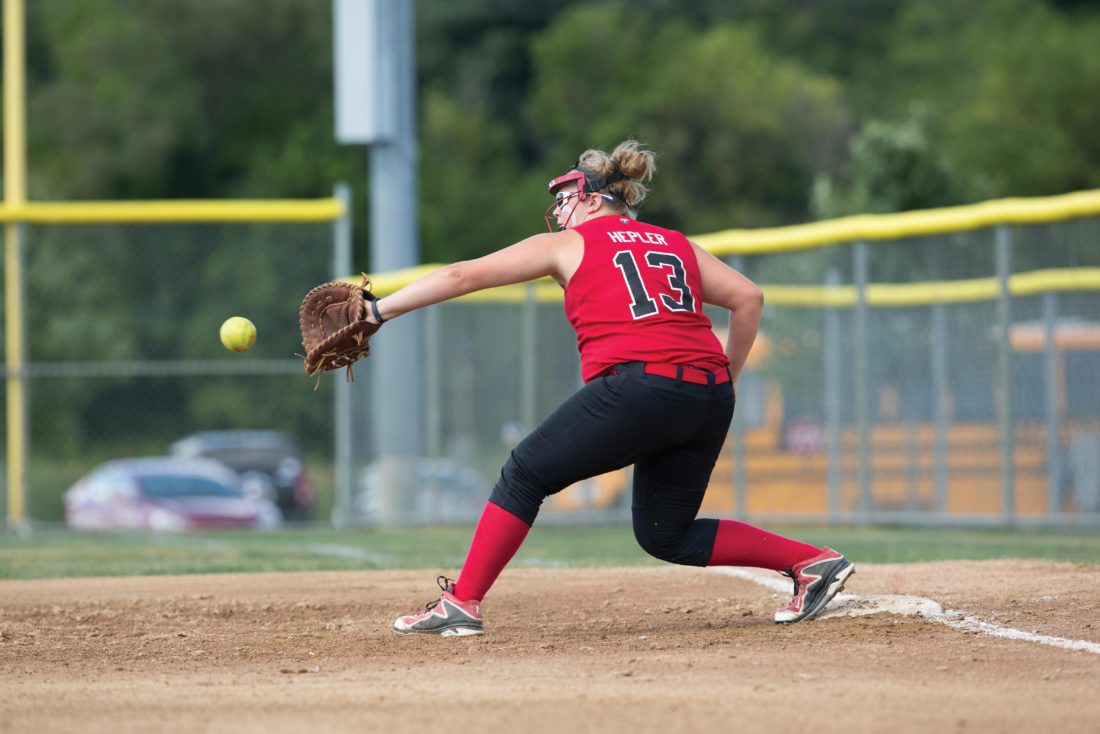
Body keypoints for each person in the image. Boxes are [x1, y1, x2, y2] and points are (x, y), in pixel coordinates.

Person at [366, 140, 854, 636]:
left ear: (596, 199)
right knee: (667, 533)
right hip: (708, 396)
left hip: (643, 387)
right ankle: (813, 562)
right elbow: (748, 298)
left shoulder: (569, 244)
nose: (560, 210)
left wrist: (378, 310)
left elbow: (460, 274)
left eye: (567, 197)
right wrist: (727, 377)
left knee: (524, 472)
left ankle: (463, 602)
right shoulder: (674, 242)